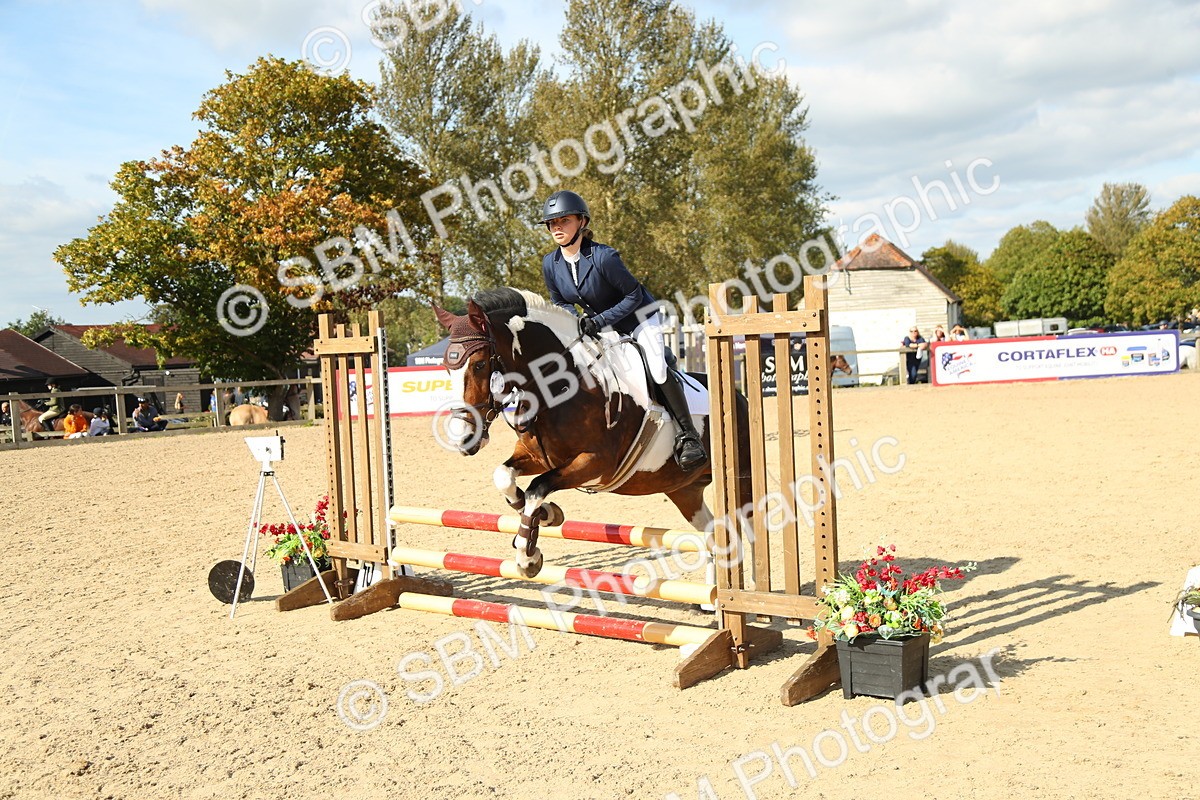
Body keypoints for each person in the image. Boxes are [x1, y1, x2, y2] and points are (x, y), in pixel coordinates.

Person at [539, 189, 706, 471]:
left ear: (581, 222)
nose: (557, 227)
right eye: (552, 223)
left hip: (639, 318)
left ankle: (689, 436)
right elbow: (560, 301)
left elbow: (633, 295)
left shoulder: (604, 257)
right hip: (600, 324)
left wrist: (599, 321)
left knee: (657, 369)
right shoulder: (550, 263)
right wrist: (576, 321)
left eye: (564, 221)